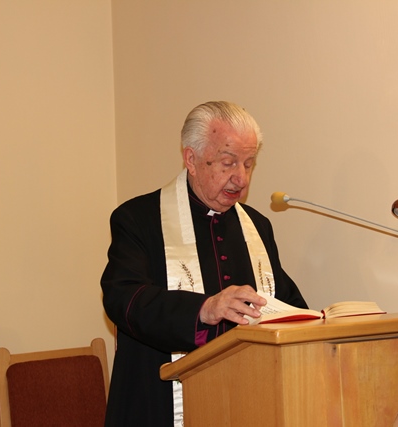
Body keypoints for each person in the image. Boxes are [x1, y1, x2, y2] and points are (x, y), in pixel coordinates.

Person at [101, 101, 308, 427]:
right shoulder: (138, 219)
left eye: (249, 164)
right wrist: (203, 310)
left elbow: (286, 304)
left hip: (244, 404)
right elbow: (123, 298)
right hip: (157, 403)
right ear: (191, 160)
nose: (241, 178)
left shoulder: (257, 226)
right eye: (228, 163)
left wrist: (322, 323)